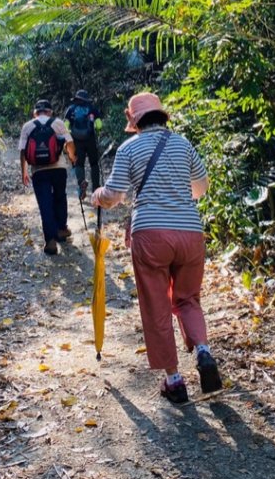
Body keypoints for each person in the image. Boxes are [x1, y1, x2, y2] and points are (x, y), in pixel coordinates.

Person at [91, 92, 222, 404]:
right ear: (162, 116)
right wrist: (176, 196)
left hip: (150, 235)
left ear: (135, 121)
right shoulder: (182, 144)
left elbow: (114, 195)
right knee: (188, 299)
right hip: (190, 233)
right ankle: (203, 350)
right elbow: (201, 187)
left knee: (156, 306)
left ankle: (174, 380)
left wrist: (97, 196)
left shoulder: (129, 148)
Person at [19, 99, 76, 255]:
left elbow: (23, 151)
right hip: (58, 168)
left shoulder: (27, 126)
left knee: (45, 203)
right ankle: (61, 229)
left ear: (35, 113)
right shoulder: (57, 123)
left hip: (38, 171)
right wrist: (72, 157)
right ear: (50, 111)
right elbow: (69, 142)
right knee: (60, 198)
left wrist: (23, 171)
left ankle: (50, 240)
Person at [64, 89, 102, 199]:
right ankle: (96, 189)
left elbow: (65, 126)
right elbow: (99, 125)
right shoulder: (92, 108)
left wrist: (69, 137)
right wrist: (95, 127)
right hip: (90, 140)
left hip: (76, 141)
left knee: (79, 164)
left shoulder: (71, 109)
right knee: (94, 164)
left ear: (76, 99)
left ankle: (81, 186)